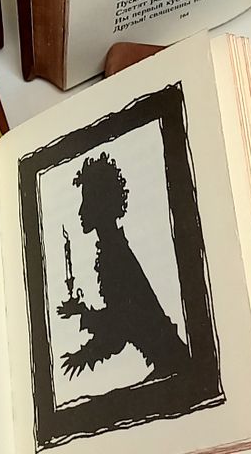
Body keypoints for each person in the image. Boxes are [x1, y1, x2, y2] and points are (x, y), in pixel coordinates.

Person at [56, 152, 190, 382]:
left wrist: (85, 352)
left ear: (101, 202)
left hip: (172, 364)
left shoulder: (114, 254)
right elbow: (122, 317)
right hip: (168, 361)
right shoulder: (113, 249)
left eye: (87, 201)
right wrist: (83, 314)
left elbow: (120, 328)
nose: (80, 211)